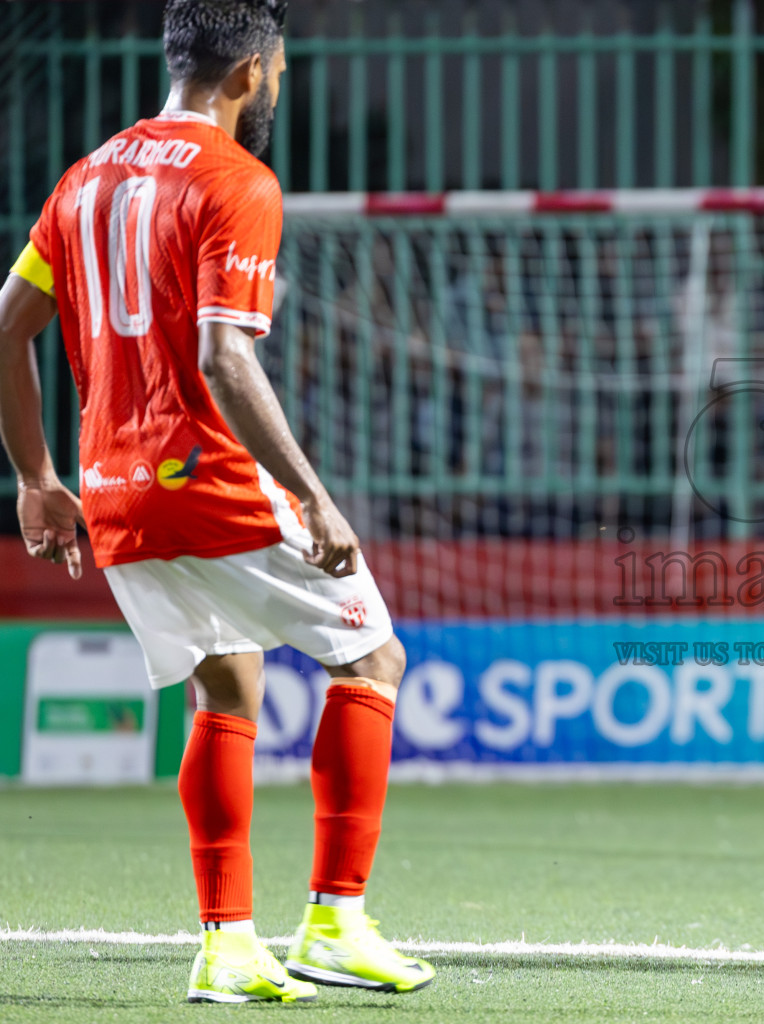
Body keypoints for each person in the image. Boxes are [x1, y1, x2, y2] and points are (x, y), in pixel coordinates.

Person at [0, 0, 432, 1004]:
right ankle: (336, 917)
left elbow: (6, 328)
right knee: (373, 655)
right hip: (206, 479)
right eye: (277, 69)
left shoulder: (84, 177)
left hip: (112, 494)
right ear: (250, 71)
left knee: (224, 687)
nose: (278, 84)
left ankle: (228, 943)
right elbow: (222, 354)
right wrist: (311, 495)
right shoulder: (237, 178)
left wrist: (37, 478)